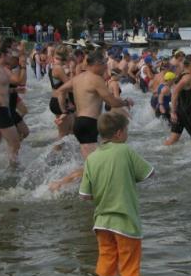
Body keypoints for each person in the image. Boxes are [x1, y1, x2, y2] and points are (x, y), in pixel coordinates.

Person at [78, 111, 154, 276]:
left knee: (105, 268)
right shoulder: (125, 151)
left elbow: (85, 195)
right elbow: (149, 173)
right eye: (126, 130)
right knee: (128, 272)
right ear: (119, 133)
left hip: (102, 223)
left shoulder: (92, 158)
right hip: (125, 222)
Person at [49, 50, 133, 191]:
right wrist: (126, 102)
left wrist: (65, 110)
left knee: (97, 161)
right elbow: (111, 101)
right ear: (96, 64)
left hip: (83, 123)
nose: (106, 67)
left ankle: (90, 188)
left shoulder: (78, 78)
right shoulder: (96, 79)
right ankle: (59, 184)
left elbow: (61, 91)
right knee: (94, 165)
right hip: (88, 124)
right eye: (104, 64)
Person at [165, 54, 191, 146]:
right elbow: (175, 93)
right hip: (186, 113)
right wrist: (172, 112)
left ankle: (158, 151)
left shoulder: (182, 75)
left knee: (173, 139)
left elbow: (189, 92)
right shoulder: (187, 78)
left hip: (180, 111)